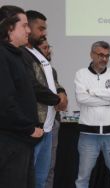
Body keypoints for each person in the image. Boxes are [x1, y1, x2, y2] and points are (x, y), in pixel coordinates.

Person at [21, 10, 68, 188]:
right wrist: (57, 100)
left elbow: (52, 80)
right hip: (34, 127)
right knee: (28, 179)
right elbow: (33, 86)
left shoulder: (38, 54)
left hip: (47, 128)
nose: (43, 33)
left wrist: (61, 92)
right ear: (28, 26)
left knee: (41, 179)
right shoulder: (22, 54)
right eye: (40, 29)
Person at [0, 5, 43, 187]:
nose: (28, 30)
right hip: (11, 142)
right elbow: (5, 103)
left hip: (21, 141)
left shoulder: (17, 55)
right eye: (24, 25)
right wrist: (29, 128)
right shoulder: (2, 55)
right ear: (10, 28)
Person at [75, 41, 110, 188]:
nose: (104, 59)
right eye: (100, 55)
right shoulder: (81, 74)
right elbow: (81, 98)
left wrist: (93, 91)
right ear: (92, 55)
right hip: (88, 134)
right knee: (83, 178)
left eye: (107, 56)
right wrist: (107, 100)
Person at [36, 38, 61, 188]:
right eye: (45, 48)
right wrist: (58, 99)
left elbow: (57, 89)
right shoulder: (30, 68)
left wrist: (62, 92)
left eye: (48, 47)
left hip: (53, 124)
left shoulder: (52, 70)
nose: (48, 50)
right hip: (37, 124)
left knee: (49, 168)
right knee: (35, 170)